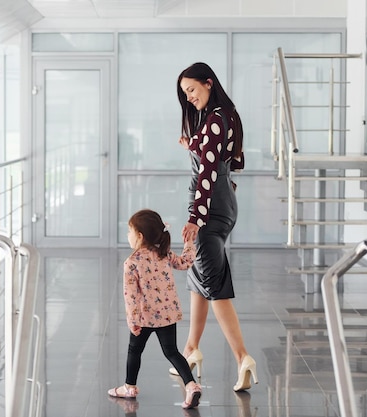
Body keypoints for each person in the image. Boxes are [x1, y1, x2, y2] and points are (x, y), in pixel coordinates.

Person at [170, 62, 258, 392]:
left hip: (210, 209)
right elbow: (230, 158)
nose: (189, 97)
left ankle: (243, 358)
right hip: (222, 203)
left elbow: (207, 172)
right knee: (199, 277)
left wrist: (195, 217)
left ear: (208, 83)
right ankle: (190, 350)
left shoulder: (215, 120)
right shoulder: (225, 114)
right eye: (185, 93)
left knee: (215, 285)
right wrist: (193, 145)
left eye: (191, 90)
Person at [108, 209, 202, 409]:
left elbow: (131, 297)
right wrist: (189, 243)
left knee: (135, 350)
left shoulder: (131, 263)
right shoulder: (164, 253)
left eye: (129, 232)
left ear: (140, 236)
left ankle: (129, 387)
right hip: (167, 314)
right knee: (172, 352)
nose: (128, 236)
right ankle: (191, 385)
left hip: (145, 317)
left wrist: (133, 321)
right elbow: (186, 263)